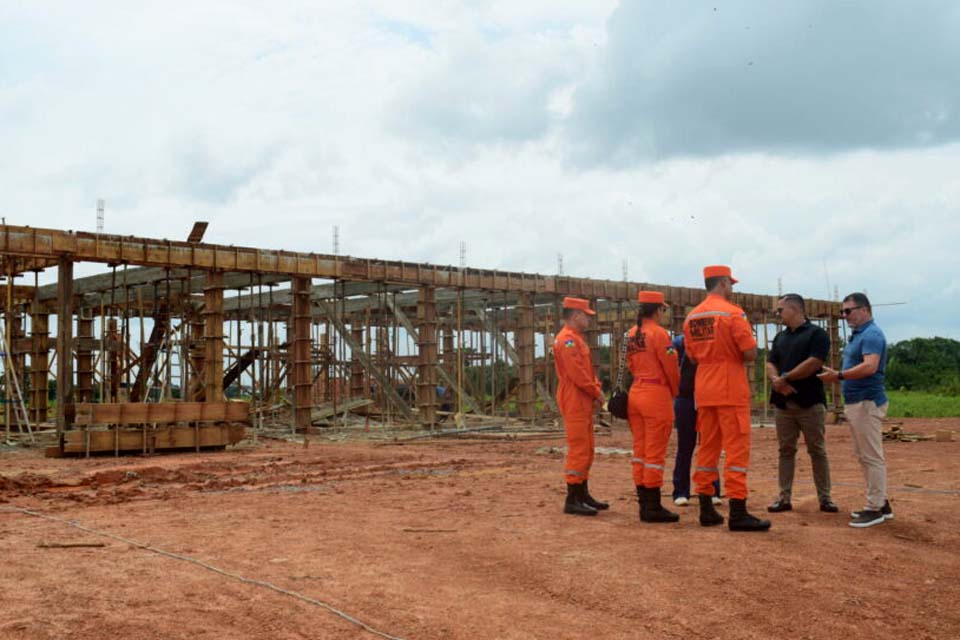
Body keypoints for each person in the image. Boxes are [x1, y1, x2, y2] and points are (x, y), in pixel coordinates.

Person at [683, 265, 770, 532]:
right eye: (730, 283)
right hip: (730, 387)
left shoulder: (692, 317)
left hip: (704, 388)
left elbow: (692, 356)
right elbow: (750, 352)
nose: (731, 288)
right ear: (722, 282)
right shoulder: (733, 313)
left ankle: (706, 507)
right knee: (736, 449)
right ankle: (738, 511)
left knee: (707, 448)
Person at [819, 292, 892, 528]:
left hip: (866, 402)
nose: (844, 315)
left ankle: (875, 508)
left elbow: (870, 367)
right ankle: (881, 502)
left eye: (848, 311)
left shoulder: (871, 334)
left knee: (871, 456)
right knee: (865, 455)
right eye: (843, 311)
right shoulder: (861, 335)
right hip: (859, 402)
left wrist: (839, 375)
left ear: (865, 310)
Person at [765, 294, 838, 513]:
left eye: (781, 310)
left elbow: (814, 363)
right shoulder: (780, 337)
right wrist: (776, 380)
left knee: (817, 450)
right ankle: (784, 497)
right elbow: (770, 362)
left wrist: (785, 378)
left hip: (810, 403)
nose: (778, 313)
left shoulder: (817, 334)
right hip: (783, 404)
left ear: (795, 309)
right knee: (785, 450)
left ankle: (825, 498)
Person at [626, 291, 681, 523]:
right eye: (663, 309)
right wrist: (675, 391)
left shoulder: (631, 333)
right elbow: (671, 367)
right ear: (658, 310)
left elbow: (629, 364)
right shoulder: (659, 334)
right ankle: (653, 505)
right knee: (654, 453)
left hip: (636, 392)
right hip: (655, 394)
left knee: (640, 451)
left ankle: (644, 503)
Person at [553, 296, 606, 516]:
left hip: (581, 396)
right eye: (587, 316)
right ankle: (573, 498)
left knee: (587, 447)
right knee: (579, 448)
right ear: (576, 316)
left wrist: (595, 388)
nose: (589, 320)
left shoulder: (575, 339)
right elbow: (577, 374)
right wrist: (596, 391)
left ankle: (582, 493)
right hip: (574, 396)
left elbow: (586, 372)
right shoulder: (567, 340)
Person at [671, 333, 721, 507]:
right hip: (685, 397)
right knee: (685, 446)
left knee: (709, 445)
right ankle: (680, 491)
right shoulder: (678, 342)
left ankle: (711, 490)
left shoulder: (712, 340)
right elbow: (671, 363)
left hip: (707, 396)